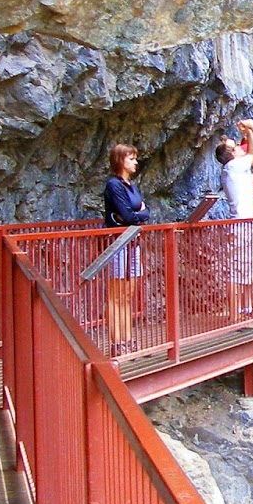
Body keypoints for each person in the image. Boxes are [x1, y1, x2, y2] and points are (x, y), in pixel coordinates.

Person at [216, 120, 253, 315]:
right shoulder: (234, 166)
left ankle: (242, 310)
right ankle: (234, 314)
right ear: (233, 153)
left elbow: (251, 152)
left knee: (245, 267)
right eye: (236, 147)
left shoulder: (235, 167)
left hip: (245, 224)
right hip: (241, 225)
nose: (242, 148)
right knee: (236, 270)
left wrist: (248, 132)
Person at [102, 143, 152, 352]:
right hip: (118, 242)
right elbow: (129, 215)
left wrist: (138, 215)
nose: (135, 162)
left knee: (127, 294)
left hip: (132, 242)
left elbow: (144, 212)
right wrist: (138, 214)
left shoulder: (131, 185)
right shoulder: (114, 185)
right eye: (131, 159)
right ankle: (117, 342)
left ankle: (128, 339)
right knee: (116, 294)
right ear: (120, 160)